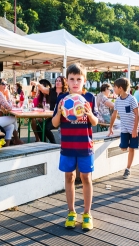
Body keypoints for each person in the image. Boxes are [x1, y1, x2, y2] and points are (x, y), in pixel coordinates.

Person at [51, 63, 98, 231]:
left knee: (86, 178)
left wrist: (89, 113)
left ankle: (87, 213)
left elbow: (95, 122)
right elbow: (55, 123)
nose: (75, 82)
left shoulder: (90, 98)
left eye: (79, 79)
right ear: (67, 81)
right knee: (69, 177)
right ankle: (71, 212)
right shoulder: (62, 99)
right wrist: (59, 112)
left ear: (84, 81)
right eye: (72, 79)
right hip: (67, 147)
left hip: (85, 146)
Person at [108, 78, 139, 179]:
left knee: (131, 149)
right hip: (124, 129)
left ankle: (128, 168)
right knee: (123, 147)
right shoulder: (117, 100)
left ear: (120, 88)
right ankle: (127, 164)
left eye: (115, 87)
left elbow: (137, 114)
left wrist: (135, 129)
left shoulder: (131, 99)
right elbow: (114, 114)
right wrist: (111, 127)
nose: (113, 89)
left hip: (134, 128)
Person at [31, 76, 68, 143]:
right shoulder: (51, 91)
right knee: (39, 127)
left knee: (46, 128)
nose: (57, 82)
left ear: (63, 83)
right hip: (52, 116)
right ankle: (44, 143)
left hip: (62, 117)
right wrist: (37, 84)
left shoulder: (66, 94)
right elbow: (43, 89)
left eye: (60, 81)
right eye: (57, 81)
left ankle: (53, 143)